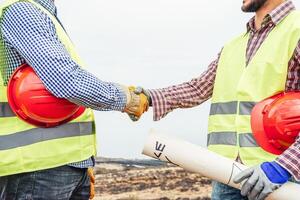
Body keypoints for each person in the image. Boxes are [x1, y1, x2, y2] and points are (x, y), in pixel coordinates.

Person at [136, 0, 300, 199]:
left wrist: (283, 167)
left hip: (281, 180)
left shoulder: (296, 31)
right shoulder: (233, 46)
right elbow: (198, 88)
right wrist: (149, 97)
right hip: (227, 175)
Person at [0, 0, 148, 199]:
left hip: (60, 167)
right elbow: (68, 81)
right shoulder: (21, 11)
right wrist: (127, 99)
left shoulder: (42, 11)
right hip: (38, 169)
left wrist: (80, 164)